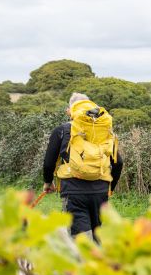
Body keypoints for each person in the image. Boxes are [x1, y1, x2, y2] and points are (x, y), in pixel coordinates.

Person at [42, 93, 123, 241]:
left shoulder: (62, 130)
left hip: (74, 192)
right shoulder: (105, 130)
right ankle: (98, 262)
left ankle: (82, 263)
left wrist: (48, 182)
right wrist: (109, 188)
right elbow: (118, 163)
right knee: (97, 237)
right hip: (100, 191)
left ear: (70, 110)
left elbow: (49, 163)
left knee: (80, 241)